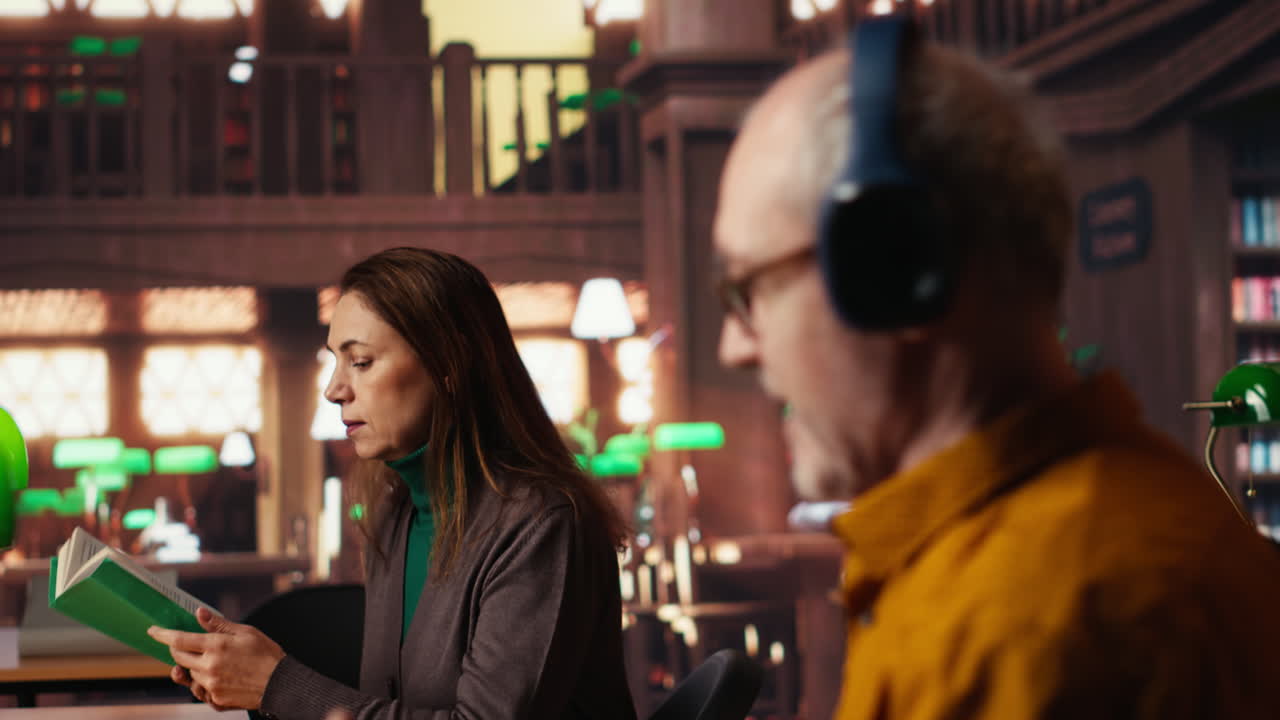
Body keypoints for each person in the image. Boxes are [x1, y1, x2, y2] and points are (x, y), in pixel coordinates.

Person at [714, 15, 1280, 720]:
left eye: (750, 290)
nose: (734, 347)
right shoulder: (1060, 555)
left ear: (893, 265)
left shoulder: (1030, 622)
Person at [148, 247, 637, 720]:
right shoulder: (395, 511)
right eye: (335, 361)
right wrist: (252, 687)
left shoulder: (543, 524)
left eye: (360, 362)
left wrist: (277, 686)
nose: (334, 390)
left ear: (449, 366)